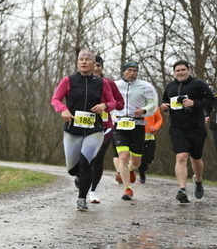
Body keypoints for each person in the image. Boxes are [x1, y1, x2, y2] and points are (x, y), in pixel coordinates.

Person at [50, 49, 118, 211]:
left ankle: (82, 199)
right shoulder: (68, 80)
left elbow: (113, 102)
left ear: (94, 63)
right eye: (81, 59)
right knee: (72, 168)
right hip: (72, 129)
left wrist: (105, 106)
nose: (84, 62)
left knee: (86, 163)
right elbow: (55, 99)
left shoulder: (102, 83)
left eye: (87, 59)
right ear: (77, 62)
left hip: (94, 129)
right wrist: (63, 110)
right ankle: (79, 176)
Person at [159, 60, 216, 203]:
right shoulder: (170, 86)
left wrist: (194, 103)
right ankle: (182, 189)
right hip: (177, 127)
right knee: (181, 156)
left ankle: (198, 180)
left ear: (189, 70)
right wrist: (163, 107)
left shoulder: (198, 84)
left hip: (196, 127)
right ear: (174, 73)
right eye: (177, 71)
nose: (180, 73)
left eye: (183, 70)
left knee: (196, 159)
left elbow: (212, 101)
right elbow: (164, 101)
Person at [109, 61, 158, 201]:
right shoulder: (114, 85)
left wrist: (144, 110)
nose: (132, 73)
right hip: (119, 124)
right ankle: (127, 188)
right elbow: (107, 101)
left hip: (137, 125)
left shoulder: (146, 86)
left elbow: (153, 104)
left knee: (136, 162)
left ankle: (131, 169)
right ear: (123, 71)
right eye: (129, 70)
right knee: (123, 156)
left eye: (135, 71)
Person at [87, 55, 123, 203]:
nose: (95, 68)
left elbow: (120, 103)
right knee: (84, 156)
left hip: (105, 126)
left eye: (98, 65)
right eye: (93, 65)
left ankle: (93, 190)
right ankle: (79, 176)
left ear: (102, 67)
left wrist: (106, 106)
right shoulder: (78, 81)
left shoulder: (108, 83)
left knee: (97, 157)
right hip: (84, 124)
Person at [138, 107, 164, 182]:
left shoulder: (154, 107)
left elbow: (159, 119)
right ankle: (142, 175)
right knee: (141, 157)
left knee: (149, 158)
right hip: (138, 135)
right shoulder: (138, 105)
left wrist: (155, 127)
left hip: (150, 136)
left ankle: (143, 167)